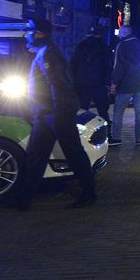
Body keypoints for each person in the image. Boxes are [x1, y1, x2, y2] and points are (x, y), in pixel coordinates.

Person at [11, 19, 96, 210]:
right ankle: (23, 199)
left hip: (56, 114)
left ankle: (89, 192)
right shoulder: (43, 52)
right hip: (45, 115)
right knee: (36, 156)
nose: (27, 35)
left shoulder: (49, 54)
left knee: (73, 153)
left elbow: (58, 85)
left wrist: (59, 115)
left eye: (29, 32)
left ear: (40, 34)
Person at [110, 24, 140, 146]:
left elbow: (118, 66)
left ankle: (116, 138)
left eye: (120, 32)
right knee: (139, 113)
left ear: (124, 33)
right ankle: (139, 138)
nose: (119, 34)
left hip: (125, 85)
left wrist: (114, 83)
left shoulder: (121, 46)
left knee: (118, 112)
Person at [70, 27, 112, 135]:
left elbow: (73, 65)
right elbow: (109, 66)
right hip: (99, 84)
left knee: (82, 111)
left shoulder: (80, 47)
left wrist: (74, 81)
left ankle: (80, 134)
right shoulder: (104, 48)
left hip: (82, 84)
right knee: (103, 111)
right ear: (100, 35)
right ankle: (107, 134)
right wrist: (107, 82)